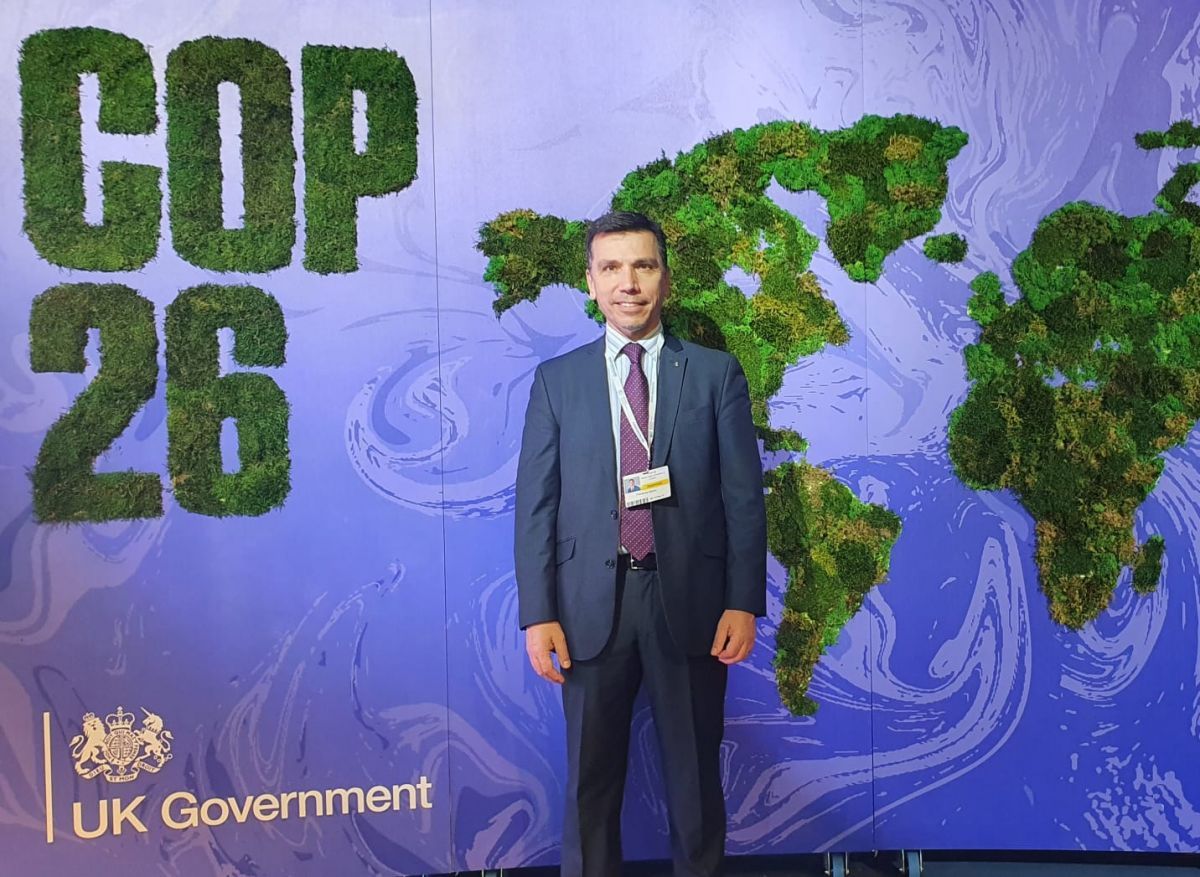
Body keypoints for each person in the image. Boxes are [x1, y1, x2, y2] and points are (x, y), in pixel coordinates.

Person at [515, 211, 767, 877]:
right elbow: (536, 507)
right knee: (589, 785)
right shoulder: (556, 382)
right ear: (591, 282)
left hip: (691, 603)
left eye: (643, 266)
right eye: (612, 268)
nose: (628, 283)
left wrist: (743, 601)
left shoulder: (714, 374)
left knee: (695, 783)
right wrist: (539, 613)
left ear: (665, 278)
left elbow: (743, 497)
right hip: (587, 609)